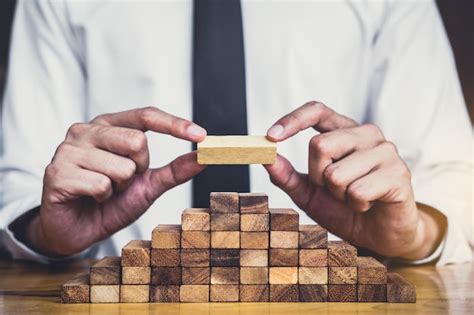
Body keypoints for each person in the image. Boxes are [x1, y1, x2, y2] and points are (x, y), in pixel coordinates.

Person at [0, 0, 471, 265]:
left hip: (318, 289)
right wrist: (45, 229)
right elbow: (17, 183)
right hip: (127, 285)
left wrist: (412, 233)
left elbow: (453, 177)